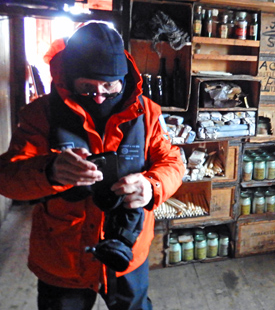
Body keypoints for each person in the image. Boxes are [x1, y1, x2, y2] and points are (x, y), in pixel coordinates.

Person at [0, 21, 185, 310]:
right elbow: (8, 177)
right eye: (87, 87)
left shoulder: (147, 113)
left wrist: (152, 186)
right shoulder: (40, 114)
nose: (99, 96)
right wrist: (49, 171)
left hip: (128, 249)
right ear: (70, 77)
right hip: (64, 257)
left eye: (108, 86)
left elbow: (171, 161)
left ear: (123, 79)